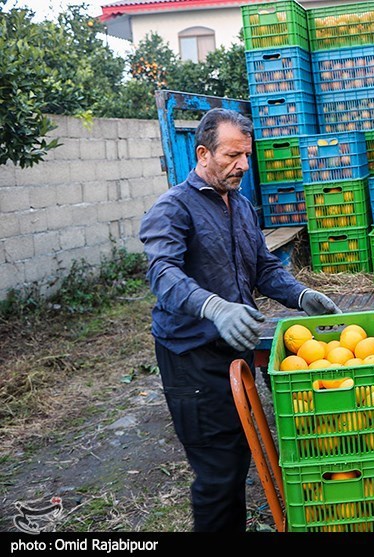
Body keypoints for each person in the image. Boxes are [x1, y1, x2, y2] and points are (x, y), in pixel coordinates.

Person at [138, 107, 340, 532]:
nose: (243, 165)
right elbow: (163, 274)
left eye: (246, 155)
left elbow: (263, 268)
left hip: (235, 350)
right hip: (193, 357)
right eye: (232, 155)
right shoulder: (173, 208)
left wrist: (301, 295)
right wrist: (213, 307)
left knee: (238, 452)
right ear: (203, 154)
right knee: (218, 473)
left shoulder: (242, 207)